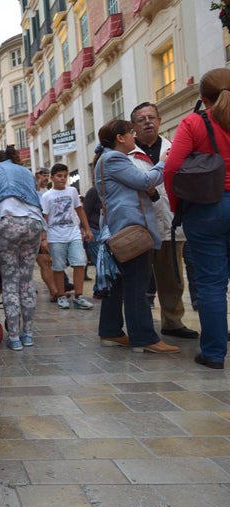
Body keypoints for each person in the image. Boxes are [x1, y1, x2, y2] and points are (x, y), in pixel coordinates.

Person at [94, 119, 179, 354]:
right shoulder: (114, 158)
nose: (135, 137)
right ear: (120, 138)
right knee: (136, 285)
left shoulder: (106, 159)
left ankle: (111, 331)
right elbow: (145, 181)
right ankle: (144, 338)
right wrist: (163, 162)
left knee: (120, 283)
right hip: (131, 229)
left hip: (119, 228)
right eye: (131, 133)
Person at [163, 68, 230, 369]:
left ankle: (214, 354)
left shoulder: (194, 122)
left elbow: (171, 168)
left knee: (212, 285)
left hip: (207, 209)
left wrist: (179, 206)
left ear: (202, 98)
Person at [129, 101, 198, 339]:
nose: (148, 122)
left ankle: (172, 322)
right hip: (138, 226)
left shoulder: (176, 147)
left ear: (159, 121)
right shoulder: (126, 154)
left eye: (151, 117)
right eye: (141, 119)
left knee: (173, 279)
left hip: (170, 221)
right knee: (137, 279)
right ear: (133, 127)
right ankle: (140, 327)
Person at [0, 146, 46, 351]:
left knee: (10, 280)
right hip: (33, 222)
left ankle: (14, 337)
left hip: (5, 221)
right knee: (27, 279)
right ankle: (28, 334)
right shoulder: (26, 172)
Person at [40, 163, 94, 310]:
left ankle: (79, 296)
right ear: (52, 177)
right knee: (58, 267)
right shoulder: (46, 196)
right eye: (59, 176)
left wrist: (87, 229)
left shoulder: (72, 192)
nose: (62, 179)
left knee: (80, 263)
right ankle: (61, 295)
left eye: (65, 176)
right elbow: (44, 217)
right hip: (55, 236)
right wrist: (43, 238)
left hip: (73, 233)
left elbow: (79, 210)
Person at [34, 168, 58, 301]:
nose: (46, 179)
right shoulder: (33, 192)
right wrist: (43, 236)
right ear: (37, 176)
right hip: (37, 231)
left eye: (48, 176)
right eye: (44, 176)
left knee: (47, 262)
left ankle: (54, 290)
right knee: (44, 261)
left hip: (48, 231)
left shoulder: (47, 192)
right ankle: (53, 290)